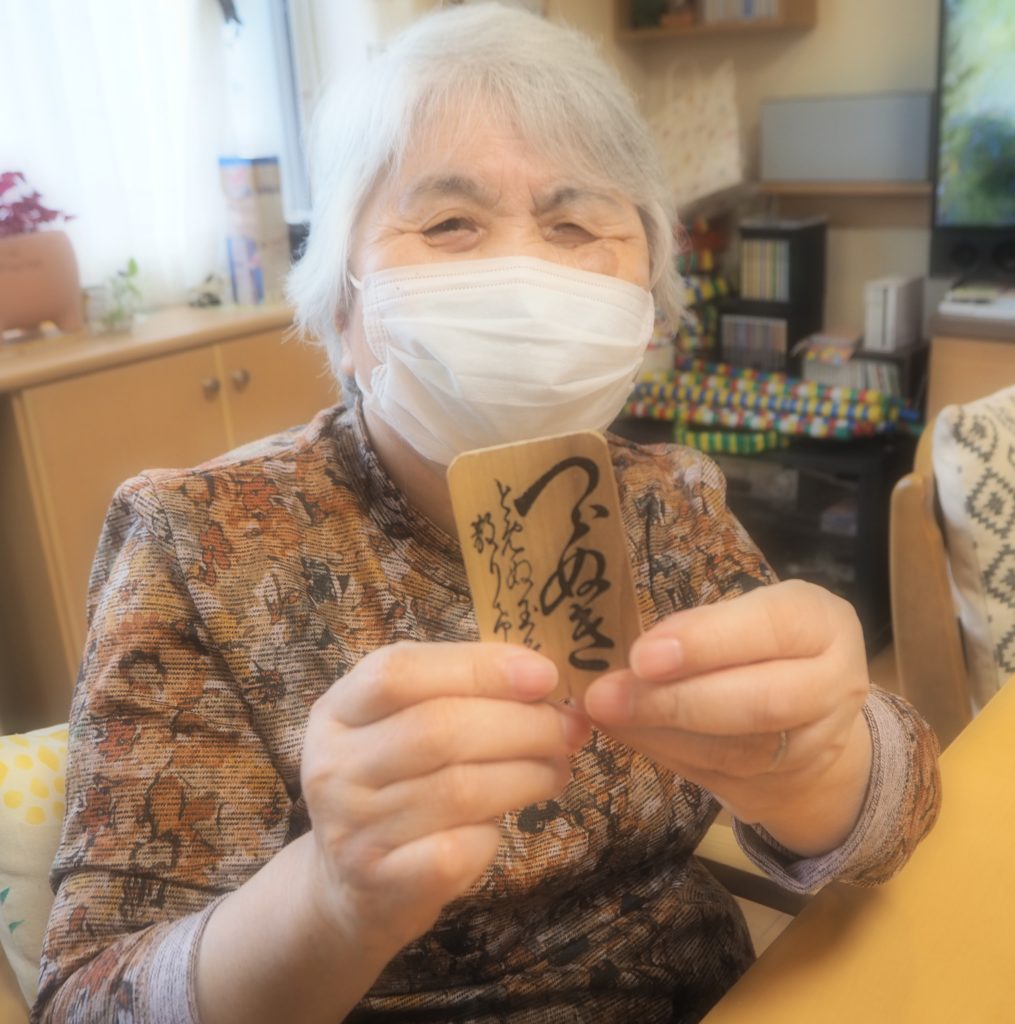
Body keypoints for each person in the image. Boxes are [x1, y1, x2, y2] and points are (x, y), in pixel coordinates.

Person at [33, 6, 941, 1023]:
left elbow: (897, 813)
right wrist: (331, 898)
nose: (524, 274)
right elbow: (88, 1002)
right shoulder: (198, 541)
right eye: (449, 224)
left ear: (646, 308)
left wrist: (826, 767)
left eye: (574, 226)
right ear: (343, 310)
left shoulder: (665, 501)